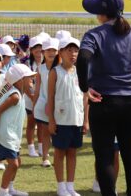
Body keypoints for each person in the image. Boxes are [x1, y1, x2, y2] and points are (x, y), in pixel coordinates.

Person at [76, 0, 131, 196]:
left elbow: (82, 59)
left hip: (103, 103)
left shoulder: (94, 35)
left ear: (102, 13)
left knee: (105, 157)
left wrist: (85, 88)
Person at [0, 64, 36, 196]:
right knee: (13, 164)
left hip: (12, 135)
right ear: (19, 80)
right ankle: (2, 192)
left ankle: (10, 189)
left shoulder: (20, 94)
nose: (31, 79)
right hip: (4, 135)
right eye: (28, 77)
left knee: (18, 163)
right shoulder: (15, 96)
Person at [47, 36, 88, 196]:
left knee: (72, 152)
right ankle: (61, 186)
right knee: (60, 152)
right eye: (69, 50)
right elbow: (50, 97)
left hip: (76, 119)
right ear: (61, 52)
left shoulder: (81, 72)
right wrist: (51, 120)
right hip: (61, 119)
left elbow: (85, 97)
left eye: (76, 51)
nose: (73, 54)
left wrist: (85, 120)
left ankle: (70, 186)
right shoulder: (55, 72)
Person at [33, 37, 59, 167]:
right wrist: (34, 105)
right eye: (48, 50)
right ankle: (45, 157)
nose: (51, 53)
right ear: (43, 52)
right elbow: (37, 90)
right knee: (44, 132)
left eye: (54, 50)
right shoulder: (40, 69)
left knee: (57, 132)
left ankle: (57, 157)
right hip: (43, 105)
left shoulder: (61, 68)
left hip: (59, 105)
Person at [25, 36, 43, 158]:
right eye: (35, 48)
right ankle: (31, 147)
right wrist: (33, 97)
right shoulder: (27, 63)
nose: (38, 50)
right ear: (31, 50)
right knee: (31, 122)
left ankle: (41, 147)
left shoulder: (46, 63)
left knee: (42, 124)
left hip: (43, 97)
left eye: (40, 47)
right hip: (30, 98)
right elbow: (27, 83)